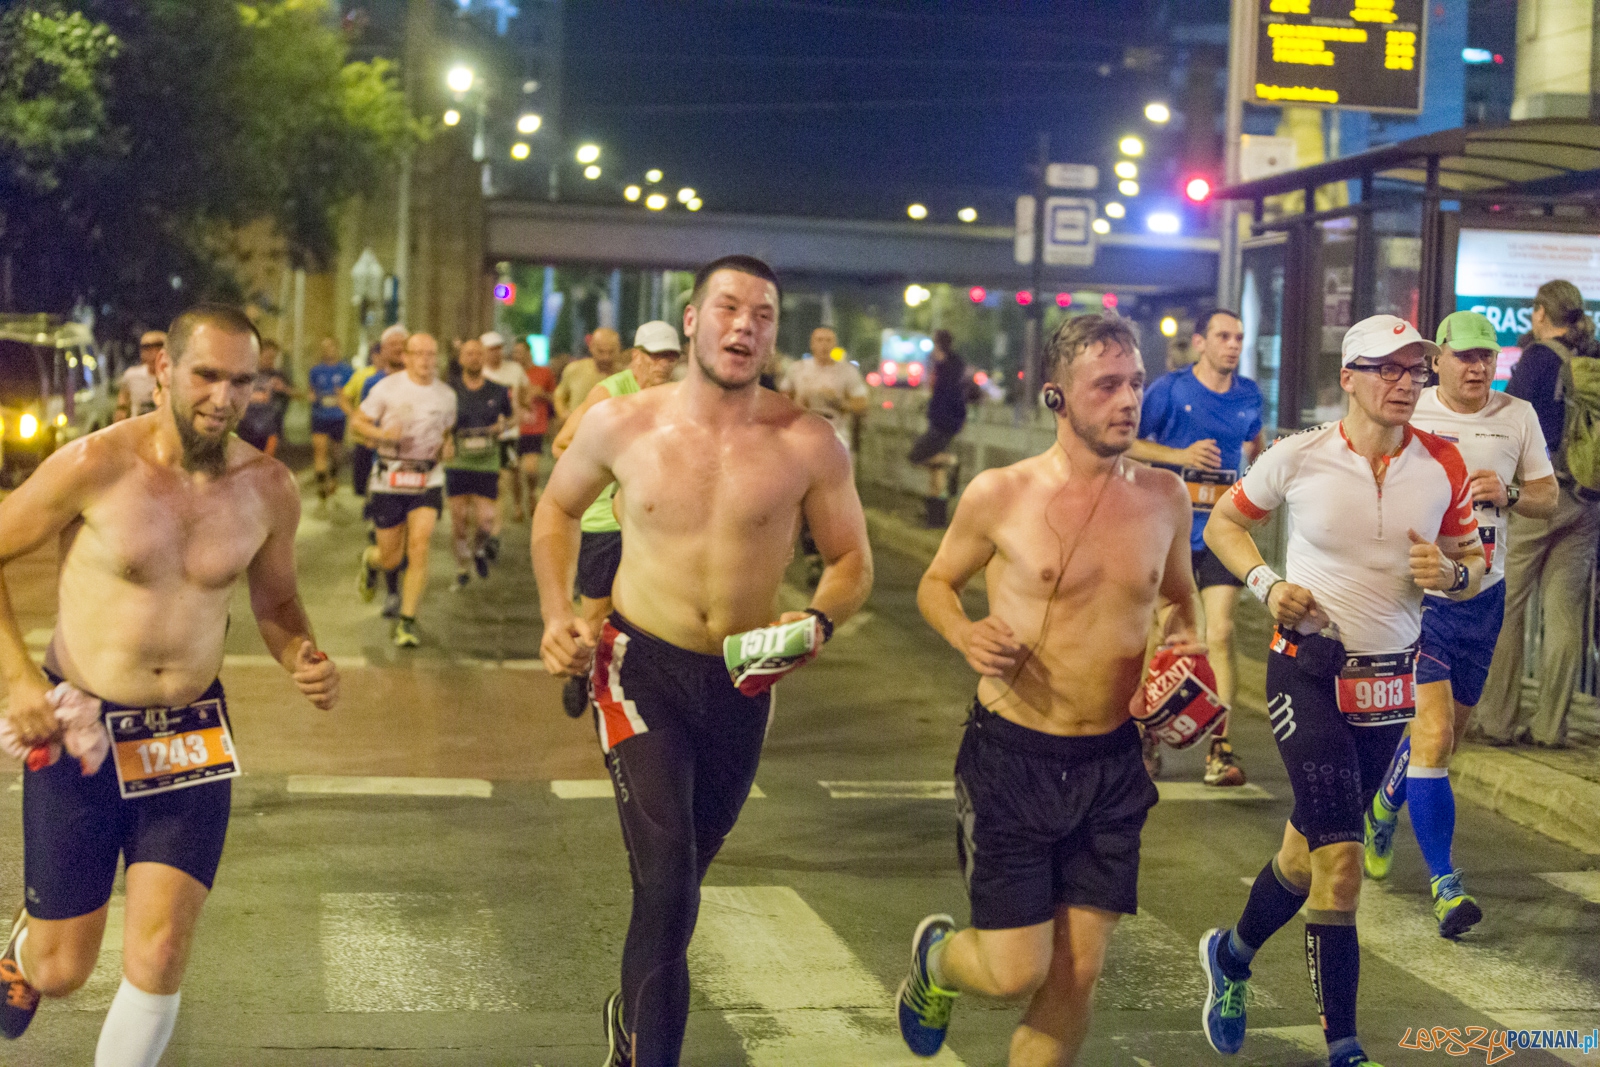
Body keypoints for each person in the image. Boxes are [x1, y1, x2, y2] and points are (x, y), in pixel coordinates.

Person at [532, 256, 871, 1067]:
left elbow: (851, 559)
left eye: (762, 314)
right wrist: (555, 615)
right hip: (637, 666)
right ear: (691, 319)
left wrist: (818, 619)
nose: (744, 325)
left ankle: (632, 1011)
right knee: (669, 879)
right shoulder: (625, 424)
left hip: (742, 679)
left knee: (678, 891)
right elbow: (556, 511)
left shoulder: (808, 440)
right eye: (727, 307)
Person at [0, 304, 339, 1060]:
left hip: (187, 736)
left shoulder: (269, 488)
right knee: (64, 968)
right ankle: (23, 948)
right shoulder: (95, 465)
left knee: (159, 953)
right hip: (79, 730)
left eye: (242, 380)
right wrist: (18, 679)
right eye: (207, 375)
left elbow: (277, 602)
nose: (223, 396)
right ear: (163, 371)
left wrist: (302, 657)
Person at [895, 313, 1197, 1067]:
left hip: (1115, 765)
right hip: (1013, 757)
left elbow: (1180, 603)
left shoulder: (1165, 496)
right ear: (1057, 396)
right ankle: (937, 960)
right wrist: (965, 634)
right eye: (1107, 386)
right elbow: (936, 582)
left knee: (1078, 971)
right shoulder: (1000, 493)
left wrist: (1184, 657)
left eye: (1135, 383)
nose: (1128, 400)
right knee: (1014, 970)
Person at [1196, 314, 1484, 1067]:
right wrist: (1266, 583)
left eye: (1415, 369)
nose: (1405, 382)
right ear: (1349, 377)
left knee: (1303, 856)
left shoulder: (1442, 461)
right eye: (1387, 368)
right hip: (1308, 673)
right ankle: (1345, 1048)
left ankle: (1230, 955)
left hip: (1389, 685)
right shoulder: (1302, 455)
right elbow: (1226, 522)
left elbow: (1472, 562)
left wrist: (1451, 576)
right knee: (1344, 863)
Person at [1362, 310, 1557, 936]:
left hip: (1484, 596)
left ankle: (1385, 803)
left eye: (1486, 356)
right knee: (1435, 732)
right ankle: (1447, 886)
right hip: (1420, 599)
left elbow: (1549, 498)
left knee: (1448, 739)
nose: (1477, 367)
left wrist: (1512, 496)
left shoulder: (1517, 416)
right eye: (1464, 356)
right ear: (1437, 360)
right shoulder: (1409, 411)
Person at [1129, 309, 1262, 787]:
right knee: (1165, 635)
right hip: (1169, 532)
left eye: (1239, 338)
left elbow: (1255, 445)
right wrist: (1179, 457)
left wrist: (1256, 486)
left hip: (1221, 532)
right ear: (1201, 343)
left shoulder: (1249, 395)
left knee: (1221, 633)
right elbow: (1128, 443)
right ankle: (1147, 733)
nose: (1233, 345)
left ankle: (1219, 748)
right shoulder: (1170, 390)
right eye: (1224, 337)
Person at [1475, 279, 1600, 747]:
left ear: (1543, 313)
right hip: (1588, 500)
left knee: (1507, 606)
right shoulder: (1594, 358)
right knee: (1566, 615)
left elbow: (1508, 422)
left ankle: (1499, 720)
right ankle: (1551, 728)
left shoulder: (1538, 358)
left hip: (1538, 497)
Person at [549, 321, 684, 720]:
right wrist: (616, 472)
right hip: (604, 524)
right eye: (655, 356)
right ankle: (580, 671)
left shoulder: (677, 399)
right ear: (636, 357)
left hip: (650, 523)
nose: (661, 365)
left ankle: (641, 689)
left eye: (670, 356)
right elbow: (562, 446)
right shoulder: (609, 393)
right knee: (597, 611)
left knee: (656, 609)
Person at [351, 333, 457, 648]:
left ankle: (407, 622)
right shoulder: (387, 388)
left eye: (431, 353)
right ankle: (370, 561)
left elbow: (446, 432)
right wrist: (383, 435)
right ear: (407, 357)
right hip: (389, 478)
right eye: (419, 353)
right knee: (391, 557)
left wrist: (448, 446)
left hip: (427, 477)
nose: (426, 360)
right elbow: (358, 422)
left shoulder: (447, 395)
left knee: (420, 546)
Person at [344, 326, 408, 615]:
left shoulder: (424, 383)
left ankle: (403, 600)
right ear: (381, 351)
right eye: (391, 344)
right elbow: (362, 420)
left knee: (414, 538)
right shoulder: (373, 383)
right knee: (390, 539)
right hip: (382, 468)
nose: (397, 348)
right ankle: (390, 587)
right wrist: (376, 436)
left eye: (402, 344)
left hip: (419, 472)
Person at [445, 339, 514, 590]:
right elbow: (439, 420)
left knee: (485, 520)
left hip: (487, 461)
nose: (473, 358)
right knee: (459, 521)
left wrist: (502, 426)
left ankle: (478, 550)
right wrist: (445, 440)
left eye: (478, 353)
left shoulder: (498, 390)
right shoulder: (449, 389)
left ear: (484, 358)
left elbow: (512, 416)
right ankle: (462, 566)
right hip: (458, 461)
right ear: (461, 358)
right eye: (468, 354)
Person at [909, 329, 969, 527]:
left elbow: (945, 396)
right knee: (936, 471)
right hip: (948, 421)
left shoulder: (946, 368)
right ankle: (935, 518)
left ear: (937, 344)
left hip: (943, 422)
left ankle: (952, 461)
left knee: (916, 455)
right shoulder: (955, 365)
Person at [479, 331, 532, 529]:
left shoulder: (514, 369)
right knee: (492, 476)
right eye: (491, 350)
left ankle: (516, 503)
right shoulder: (480, 372)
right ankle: (490, 514)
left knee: (511, 472)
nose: (496, 353)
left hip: (509, 431)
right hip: (485, 432)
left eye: (499, 349)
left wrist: (525, 408)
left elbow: (525, 391)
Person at [308, 337, 354, 504]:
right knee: (319, 449)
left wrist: (342, 398)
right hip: (319, 415)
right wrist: (312, 397)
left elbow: (351, 394)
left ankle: (333, 476)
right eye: (324, 347)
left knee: (336, 452)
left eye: (331, 347)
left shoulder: (346, 371)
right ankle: (321, 485)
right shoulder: (315, 371)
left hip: (338, 416)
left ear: (337, 348)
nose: (328, 350)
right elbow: (311, 391)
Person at [516, 338, 557, 508]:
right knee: (515, 472)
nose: (516, 356)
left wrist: (542, 394)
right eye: (514, 353)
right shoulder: (511, 372)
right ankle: (518, 505)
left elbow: (555, 399)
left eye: (519, 352)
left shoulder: (543, 373)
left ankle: (532, 493)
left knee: (531, 469)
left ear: (528, 352)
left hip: (535, 427)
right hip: (514, 429)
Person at [234, 340, 292, 456]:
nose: (270, 361)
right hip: (246, 428)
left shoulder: (277, 375)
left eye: (273, 358)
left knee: (266, 463)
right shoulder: (245, 374)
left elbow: (298, 394)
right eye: (267, 357)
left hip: (270, 429)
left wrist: (283, 388)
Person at [553, 327, 623, 420]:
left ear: (619, 349)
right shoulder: (574, 369)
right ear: (591, 347)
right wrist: (564, 415)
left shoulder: (625, 375)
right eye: (601, 351)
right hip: (578, 429)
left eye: (611, 352)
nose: (606, 357)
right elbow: (559, 395)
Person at [114, 331, 165, 421]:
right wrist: (121, 410)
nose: (153, 352)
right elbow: (124, 396)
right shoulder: (132, 375)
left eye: (158, 346)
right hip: (139, 429)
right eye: (146, 347)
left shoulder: (174, 376)